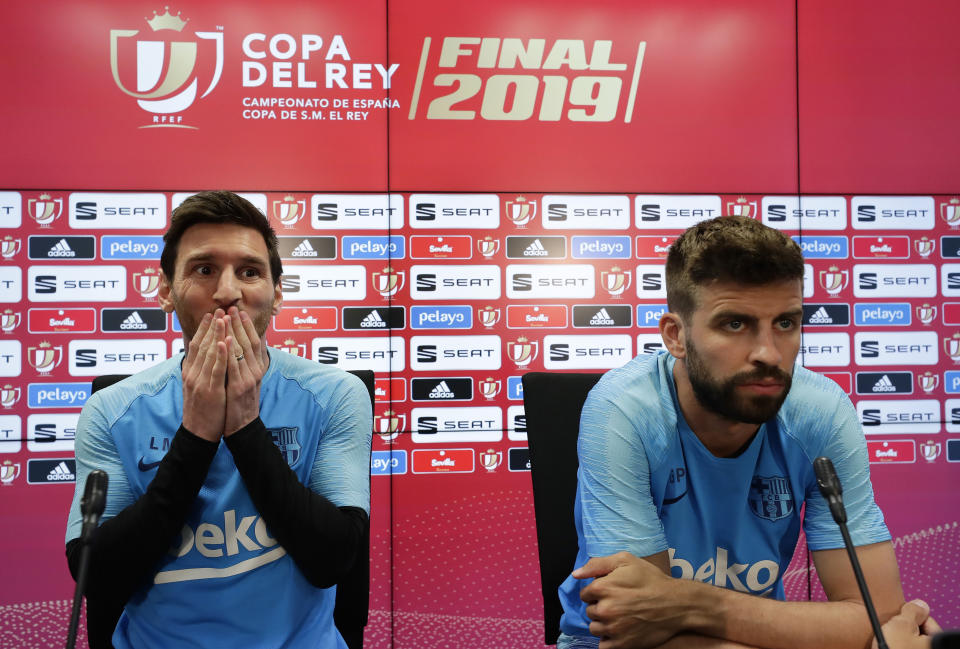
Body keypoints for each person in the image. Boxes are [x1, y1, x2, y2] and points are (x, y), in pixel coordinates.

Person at [558, 216, 907, 649]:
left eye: (785, 323)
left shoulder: (822, 413)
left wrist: (689, 603)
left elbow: (878, 617)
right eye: (735, 324)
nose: (769, 353)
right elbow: (639, 628)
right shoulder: (624, 410)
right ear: (676, 335)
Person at [65, 191, 372, 649]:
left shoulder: (335, 395)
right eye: (204, 269)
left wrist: (245, 425)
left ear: (277, 293)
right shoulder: (111, 410)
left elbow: (331, 560)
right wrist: (197, 434)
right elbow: (101, 577)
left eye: (249, 272)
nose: (228, 292)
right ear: (166, 290)